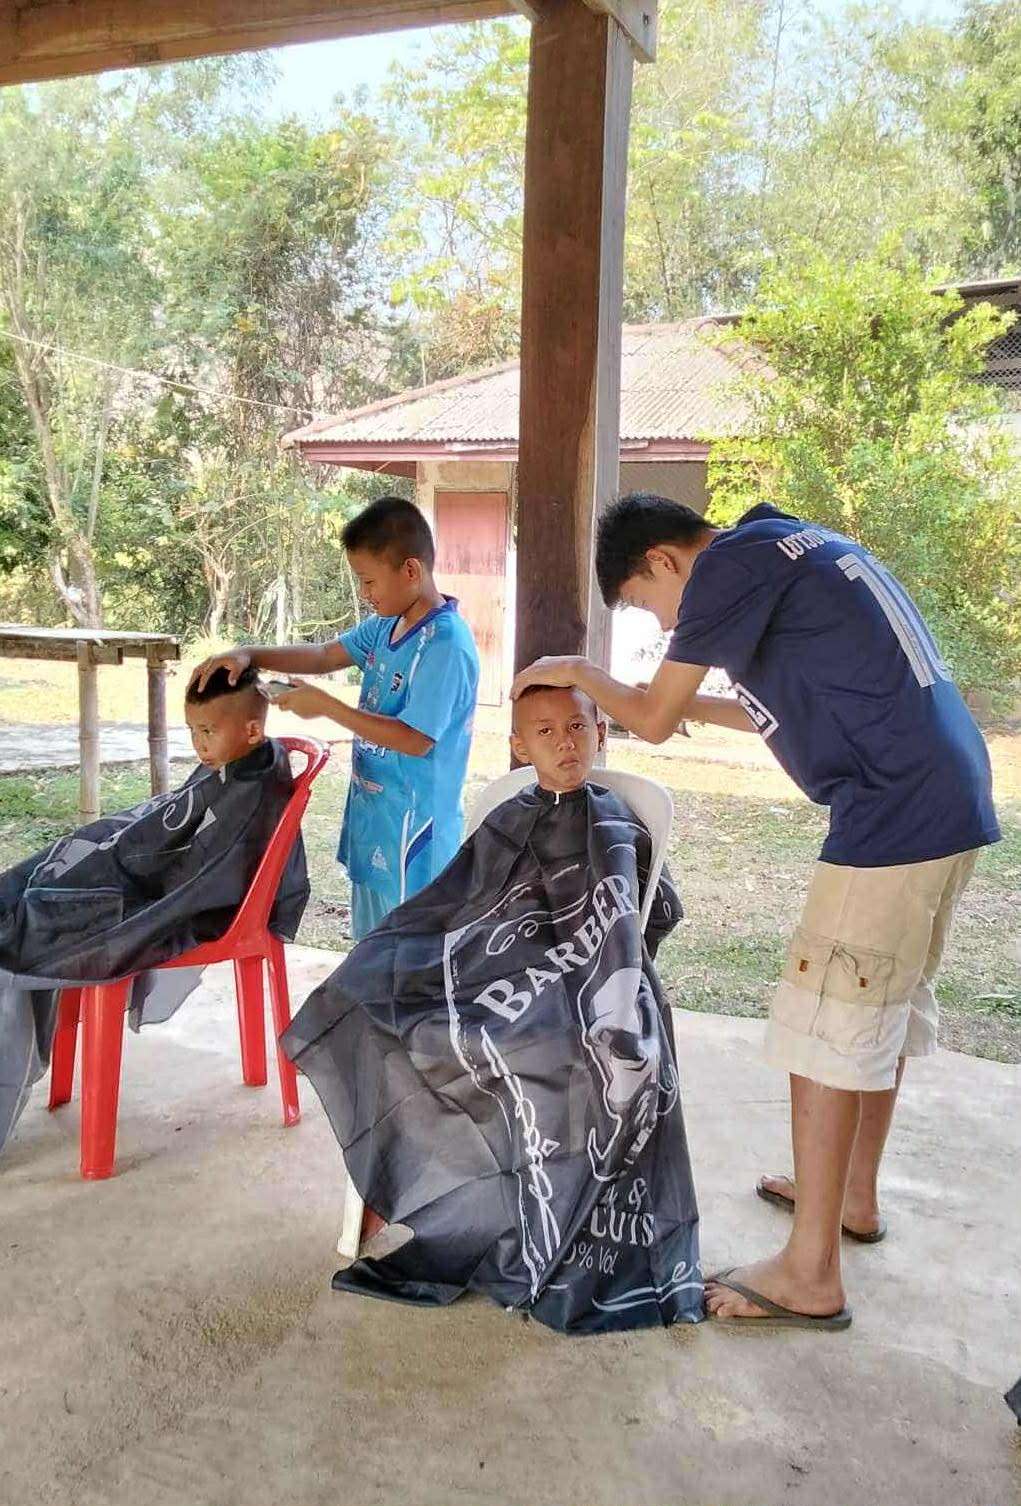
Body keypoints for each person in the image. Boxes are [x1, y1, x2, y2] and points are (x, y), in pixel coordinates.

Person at [511, 491, 999, 1330]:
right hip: (947, 792)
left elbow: (650, 719)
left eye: (646, 604)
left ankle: (810, 1274)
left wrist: (579, 672)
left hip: (890, 812)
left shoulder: (725, 568)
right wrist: (681, 703)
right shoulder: (786, 545)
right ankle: (850, 1198)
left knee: (823, 1028)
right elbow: (768, 701)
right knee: (874, 1012)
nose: (665, 626)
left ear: (663, 561)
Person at [280, 682, 702, 1334]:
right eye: (545, 732)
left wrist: (582, 972)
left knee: (549, 1050)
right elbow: (458, 905)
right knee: (367, 1006)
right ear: (519, 745)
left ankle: (532, 1214)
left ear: (599, 733)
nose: (564, 743)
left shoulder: (616, 822)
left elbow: (640, 918)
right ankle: (402, 1181)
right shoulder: (508, 817)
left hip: (582, 986)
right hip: (493, 973)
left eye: (576, 727)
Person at [0, 665, 309, 1156]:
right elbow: (165, 824)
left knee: (27, 926)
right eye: (192, 731)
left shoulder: (251, 789)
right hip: (148, 874)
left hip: (176, 901)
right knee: (37, 877)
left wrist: (125, 870)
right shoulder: (236, 763)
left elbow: (196, 880)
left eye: (207, 731)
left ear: (252, 730)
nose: (199, 745)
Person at [192, 495, 480, 939]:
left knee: (407, 955)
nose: (365, 594)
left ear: (410, 570)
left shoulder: (446, 644)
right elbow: (325, 655)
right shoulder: (386, 625)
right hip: (375, 820)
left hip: (415, 836)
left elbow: (416, 739)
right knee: (369, 949)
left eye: (369, 581)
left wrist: (328, 707)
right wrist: (250, 653)